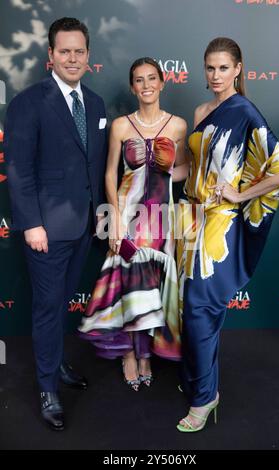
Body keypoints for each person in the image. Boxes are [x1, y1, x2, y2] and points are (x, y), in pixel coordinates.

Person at [176, 37, 279, 432]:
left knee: (200, 307)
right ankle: (197, 382)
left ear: (239, 69)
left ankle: (206, 397)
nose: (215, 75)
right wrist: (158, 166)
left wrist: (242, 193)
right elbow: (193, 169)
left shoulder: (244, 110)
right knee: (190, 308)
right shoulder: (200, 109)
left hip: (220, 225)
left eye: (223, 68)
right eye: (209, 67)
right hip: (190, 219)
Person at [4, 17, 107, 431]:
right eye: (63, 51)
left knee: (62, 300)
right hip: (45, 230)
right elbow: (19, 169)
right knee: (48, 309)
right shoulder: (28, 102)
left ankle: (56, 362)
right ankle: (47, 387)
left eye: (78, 51)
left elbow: (95, 166)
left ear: (88, 56)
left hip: (83, 226)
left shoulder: (96, 104)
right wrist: (31, 224)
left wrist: (101, 214)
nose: (72, 58)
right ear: (50, 56)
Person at [79, 57, 188, 390]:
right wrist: (113, 219)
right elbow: (110, 172)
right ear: (132, 87)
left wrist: (169, 169)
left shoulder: (179, 126)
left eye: (152, 78)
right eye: (139, 80)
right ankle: (129, 355)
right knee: (128, 286)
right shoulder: (121, 127)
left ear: (162, 82)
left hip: (159, 219)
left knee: (151, 287)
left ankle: (145, 355)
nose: (146, 85)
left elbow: (182, 171)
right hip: (127, 216)